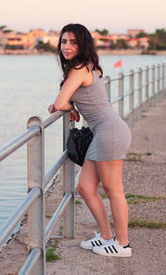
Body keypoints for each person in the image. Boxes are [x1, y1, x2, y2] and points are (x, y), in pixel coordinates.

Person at [48, 23, 132, 257]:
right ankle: (106, 237)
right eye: (64, 41)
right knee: (84, 187)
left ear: (83, 45)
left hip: (109, 132)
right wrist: (68, 105)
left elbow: (60, 102)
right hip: (105, 132)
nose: (66, 46)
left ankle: (122, 244)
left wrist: (66, 105)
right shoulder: (87, 67)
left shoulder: (79, 69)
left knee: (113, 190)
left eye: (73, 42)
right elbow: (63, 102)